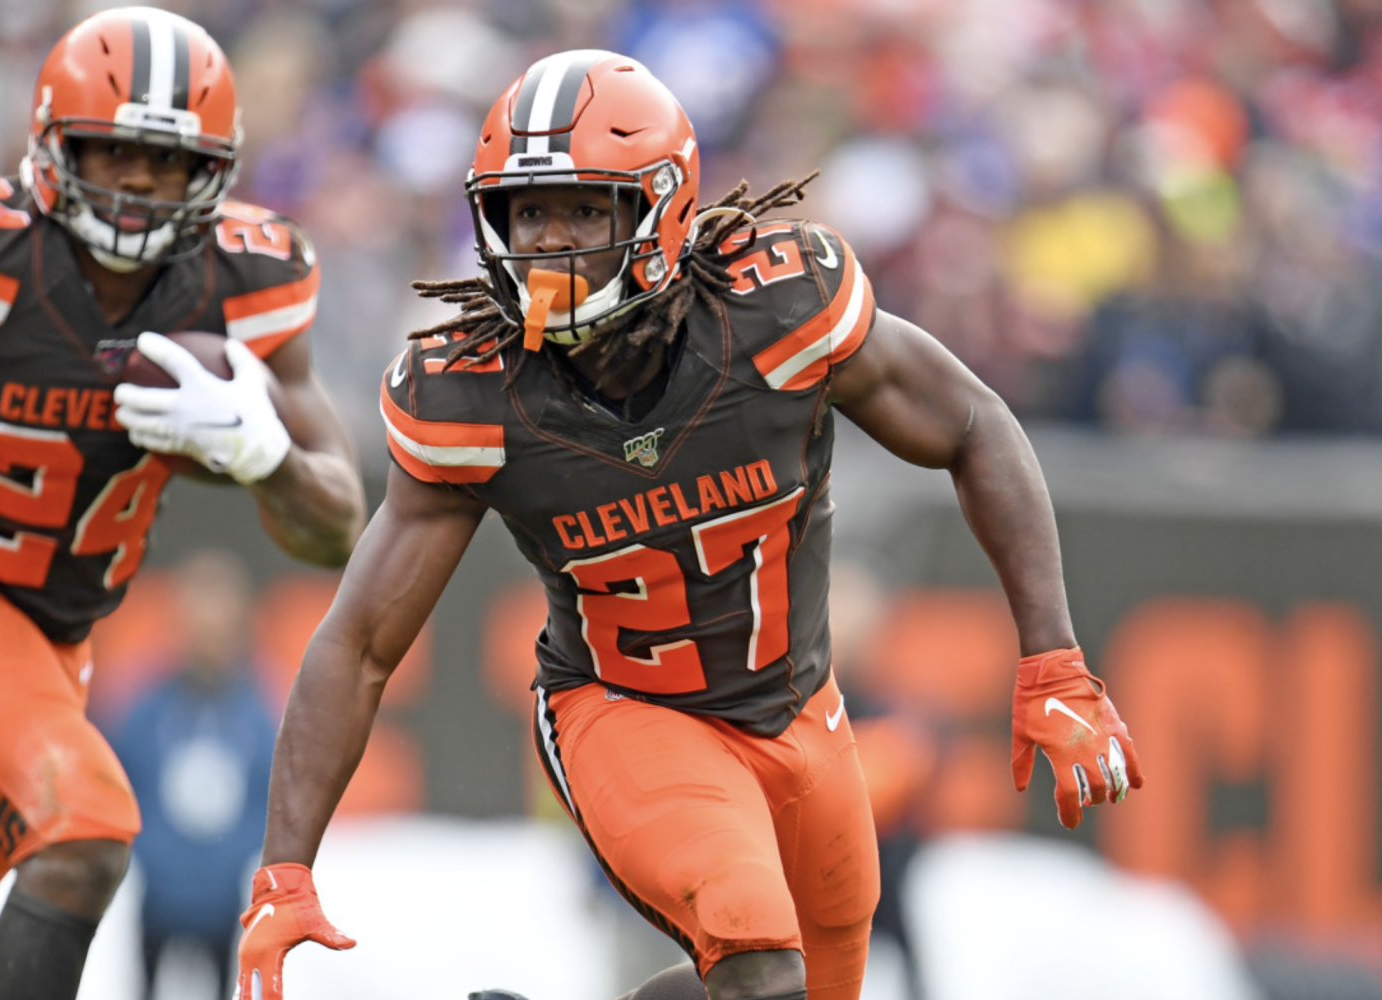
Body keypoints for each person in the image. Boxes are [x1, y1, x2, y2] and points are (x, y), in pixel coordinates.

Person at [236, 49, 1143, 1000]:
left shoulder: (777, 312)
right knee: (760, 962)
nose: (549, 241)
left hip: (801, 711)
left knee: (793, 991)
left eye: (586, 209)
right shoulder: (472, 391)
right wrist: (284, 868)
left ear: (659, 207)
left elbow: (973, 426)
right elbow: (360, 644)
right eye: (528, 211)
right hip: (626, 710)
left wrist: (1055, 660)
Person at [0, 8, 365, 1000]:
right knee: (84, 830)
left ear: (212, 170)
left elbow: (337, 525)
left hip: (53, 643)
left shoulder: (244, 282)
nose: (137, 184)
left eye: (166, 161)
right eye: (111, 150)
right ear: (53, 142)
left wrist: (265, 454)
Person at [109, 548, 277, 1000]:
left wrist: (222, 866)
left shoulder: (259, 710)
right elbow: (123, 789)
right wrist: (159, 862)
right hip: (157, 899)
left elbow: (267, 801)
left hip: (227, 903)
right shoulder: (145, 707)